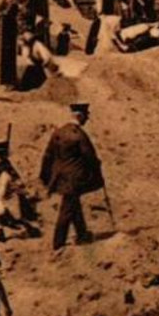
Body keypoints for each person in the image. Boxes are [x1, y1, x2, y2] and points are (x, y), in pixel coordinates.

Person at [39, 101, 104, 249]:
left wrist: (45, 176)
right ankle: (58, 243)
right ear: (80, 116)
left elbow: (48, 155)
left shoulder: (58, 132)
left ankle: (82, 234)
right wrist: (97, 171)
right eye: (86, 116)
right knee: (67, 209)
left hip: (60, 177)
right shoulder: (79, 135)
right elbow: (90, 157)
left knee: (73, 204)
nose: (87, 119)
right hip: (74, 179)